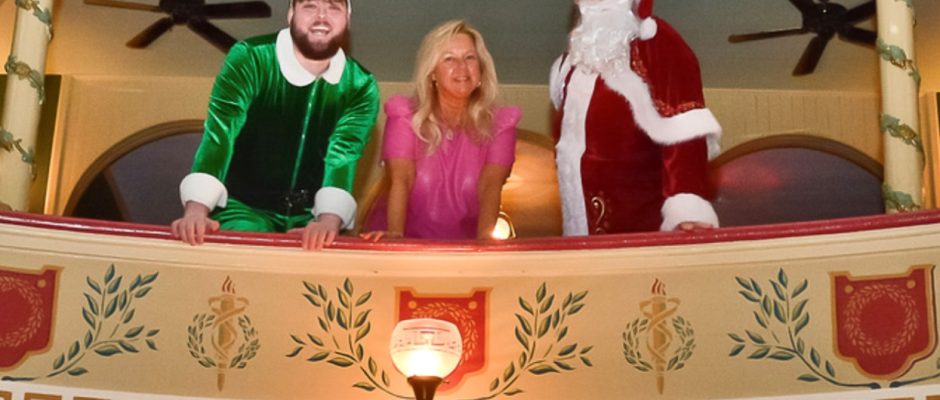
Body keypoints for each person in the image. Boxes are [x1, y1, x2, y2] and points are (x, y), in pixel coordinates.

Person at [171, 0, 379, 250]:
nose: (322, 16)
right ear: (291, 14)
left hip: (310, 216)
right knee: (248, 249)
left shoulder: (360, 85)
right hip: (242, 207)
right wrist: (197, 209)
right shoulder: (252, 58)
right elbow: (221, 133)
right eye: (310, 6)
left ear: (348, 20)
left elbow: (343, 157)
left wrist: (329, 222)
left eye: (333, 7)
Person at [550, 0, 721, 235]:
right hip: (581, 238)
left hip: (644, 237)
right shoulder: (567, 68)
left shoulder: (655, 45)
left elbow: (685, 130)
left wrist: (687, 206)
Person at [361, 20, 519, 240]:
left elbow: (490, 187)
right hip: (402, 242)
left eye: (470, 57)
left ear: (481, 70)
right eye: (449, 59)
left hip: (463, 249)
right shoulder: (404, 117)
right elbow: (401, 180)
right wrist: (395, 237)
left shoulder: (500, 125)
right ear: (432, 73)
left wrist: (485, 245)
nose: (462, 67)